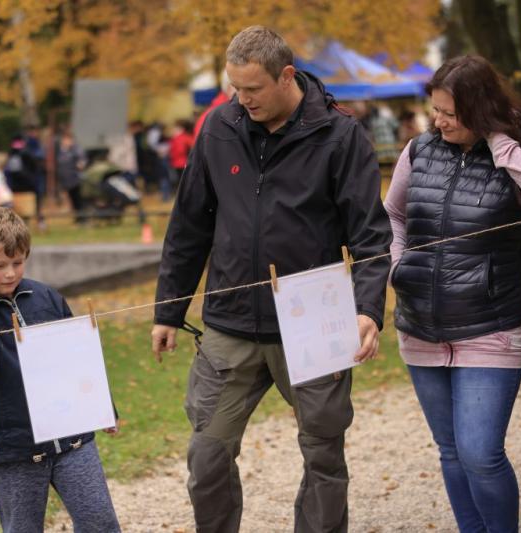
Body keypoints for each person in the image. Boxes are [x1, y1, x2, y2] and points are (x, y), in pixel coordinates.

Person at [151, 26, 392, 532]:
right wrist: (168, 310)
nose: (243, 99)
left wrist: (368, 309)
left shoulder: (340, 135)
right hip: (230, 324)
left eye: (253, 88)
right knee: (207, 454)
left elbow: (371, 235)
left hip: (314, 322)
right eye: (235, 88)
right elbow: (189, 226)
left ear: (286, 76)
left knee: (323, 454)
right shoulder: (218, 128)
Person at [384, 55, 521, 532]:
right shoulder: (419, 150)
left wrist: (499, 140)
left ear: (481, 110)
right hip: (420, 324)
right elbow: (393, 215)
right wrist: (398, 264)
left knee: (481, 453)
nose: (438, 121)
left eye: (450, 113)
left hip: (490, 326)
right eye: (435, 110)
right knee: (451, 451)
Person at [0, 207, 120, 533]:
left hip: (72, 441)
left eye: (17, 262)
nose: (10, 273)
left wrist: (101, 406)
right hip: (13, 451)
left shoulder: (45, 296)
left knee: (101, 523)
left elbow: (78, 355)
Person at [56, 131, 87, 223]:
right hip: (67, 181)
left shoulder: (76, 150)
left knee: (78, 200)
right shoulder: (60, 150)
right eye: (65, 139)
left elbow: (82, 160)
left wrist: (81, 164)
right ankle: (78, 218)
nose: (67, 141)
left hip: (76, 180)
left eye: (69, 139)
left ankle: (82, 219)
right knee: (73, 200)